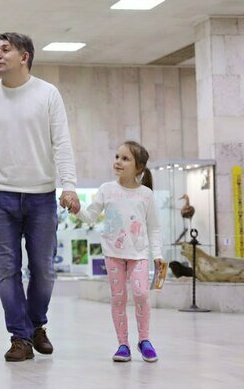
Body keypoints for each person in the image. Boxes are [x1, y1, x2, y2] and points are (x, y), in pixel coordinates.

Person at [0, 32, 79, 362]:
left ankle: (36, 324)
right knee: (7, 271)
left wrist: (69, 185)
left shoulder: (47, 94)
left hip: (42, 197)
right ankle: (20, 338)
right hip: (0, 198)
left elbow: (62, 143)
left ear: (24, 57)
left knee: (43, 270)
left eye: (5, 49)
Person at [71, 141, 164, 363]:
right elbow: (90, 216)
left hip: (139, 255)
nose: (118, 162)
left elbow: (154, 227)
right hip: (113, 254)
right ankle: (123, 344)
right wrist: (76, 209)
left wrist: (157, 255)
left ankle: (144, 340)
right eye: (117, 157)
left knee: (141, 293)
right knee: (119, 298)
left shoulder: (146, 195)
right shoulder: (107, 189)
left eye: (125, 158)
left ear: (139, 167)